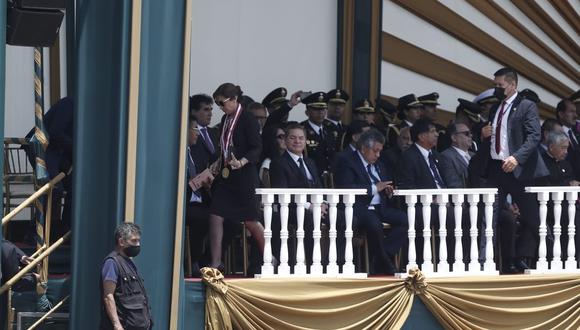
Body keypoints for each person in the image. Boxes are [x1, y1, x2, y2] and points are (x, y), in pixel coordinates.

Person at [477, 67, 548, 272]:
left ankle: (555, 255)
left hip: (518, 170)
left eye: (500, 85)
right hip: (496, 169)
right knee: (488, 215)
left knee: (533, 217)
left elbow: (534, 136)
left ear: (513, 85)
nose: (496, 89)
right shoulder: (495, 108)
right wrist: (483, 134)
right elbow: (493, 137)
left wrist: (517, 158)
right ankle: (484, 262)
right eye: (495, 85)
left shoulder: (526, 106)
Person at [207, 83, 264, 271]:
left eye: (222, 103)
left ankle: (269, 257)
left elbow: (257, 147)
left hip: (245, 175)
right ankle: (215, 262)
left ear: (233, 99)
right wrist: (219, 162)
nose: (220, 108)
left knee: (250, 221)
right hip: (227, 175)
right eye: (217, 104)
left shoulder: (247, 118)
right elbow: (225, 145)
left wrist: (242, 161)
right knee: (216, 214)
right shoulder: (225, 119)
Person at [335, 129, 407, 275]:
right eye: (375, 151)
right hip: (359, 207)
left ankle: (382, 256)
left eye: (380, 151)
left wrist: (387, 191)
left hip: (380, 207)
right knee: (374, 224)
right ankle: (383, 263)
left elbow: (385, 183)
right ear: (363, 148)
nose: (378, 155)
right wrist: (374, 188)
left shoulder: (379, 164)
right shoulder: (347, 162)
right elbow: (346, 187)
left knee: (405, 219)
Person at [101, 223, 152, 330]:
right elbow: (108, 296)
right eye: (134, 241)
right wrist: (117, 325)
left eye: (138, 241)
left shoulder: (129, 262)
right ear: (121, 242)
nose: (138, 244)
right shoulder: (112, 262)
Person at [185, 117, 214, 276]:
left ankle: (207, 259)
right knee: (202, 218)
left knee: (226, 220)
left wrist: (207, 182)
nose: (198, 133)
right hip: (186, 204)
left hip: (202, 199)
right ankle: (193, 260)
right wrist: (189, 183)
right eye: (195, 129)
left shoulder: (197, 152)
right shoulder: (177, 153)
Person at [397, 118, 460, 189]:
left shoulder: (437, 155)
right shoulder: (408, 157)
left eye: (436, 131)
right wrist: (432, 198)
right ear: (421, 137)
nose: (437, 134)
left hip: (445, 197)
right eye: (432, 131)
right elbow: (408, 186)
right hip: (426, 198)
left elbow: (450, 180)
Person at [300, 92, 336, 179]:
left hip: (330, 179)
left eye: (323, 109)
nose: (321, 113)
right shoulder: (301, 130)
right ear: (307, 112)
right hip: (311, 178)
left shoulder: (330, 129)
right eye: (316, 109)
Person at [189, 94, 220, 169]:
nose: (210, 114)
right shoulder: (189, 133)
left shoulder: (215, 132)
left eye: (211, 109)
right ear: (193, 112)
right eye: (206, 110)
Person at [440, 123, 474, 188]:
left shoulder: (474, 155)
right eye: (466, 133)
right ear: (454, 138)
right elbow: (453, 184)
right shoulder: (446, 156)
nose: (471, 135)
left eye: (470, 133)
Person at [556, 99, 580, 180]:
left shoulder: (576, 132)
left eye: (575, 112)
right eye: (571, 112)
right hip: (566, 182)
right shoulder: (555, 133)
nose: (576, 115)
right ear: (561, 114)